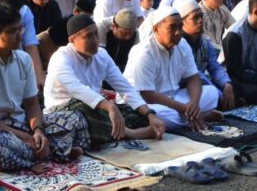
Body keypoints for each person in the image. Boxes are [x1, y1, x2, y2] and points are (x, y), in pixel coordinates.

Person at [0, 5, 88, 172]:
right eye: (13, 31)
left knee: (74, 117)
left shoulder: (24, 59)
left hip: (19, 126)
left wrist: (38, 131)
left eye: (20, 28)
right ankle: (42, 154)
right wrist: (25, 137)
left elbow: (32, 104)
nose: (19, 35)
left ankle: (34, 150)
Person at [44, 15, 166, 147]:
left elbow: (125, 88)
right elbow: (76, 89)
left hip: (97, 106)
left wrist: (149, 114)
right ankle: (129, 133)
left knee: (136, 114)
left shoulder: (101, 55)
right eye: (88, 36)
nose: (95, 40)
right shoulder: (60, 58)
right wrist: (109, 106)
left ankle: (121, 131)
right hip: (65, 109)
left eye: (96, 34)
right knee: (82, 116)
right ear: (72, 40)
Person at [125, 7, 221, 130]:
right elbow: (147, 95)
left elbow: (193, 77)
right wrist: (183, 108)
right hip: (144, 103)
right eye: (172, 27)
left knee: (212, 92)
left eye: (180, 26)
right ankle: (202, 116)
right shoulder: (143, 52)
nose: (178, 32)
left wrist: (194, 104)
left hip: (173, 98)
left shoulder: (182, 44)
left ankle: (192, 115)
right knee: (159, 115)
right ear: (156, 29)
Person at [173, 0, 236, 111]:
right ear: (182, 23)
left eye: (201, 16)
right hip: (183, 89)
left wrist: (227, 84)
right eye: (195, 18)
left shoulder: (204, 43)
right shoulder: (178, 45)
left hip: (202, 86)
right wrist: (219, 93)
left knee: (233, 87)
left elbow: (215, 68)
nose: (200, 20)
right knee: (214, 95)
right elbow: (196, 74)